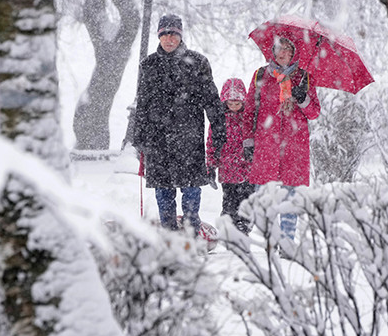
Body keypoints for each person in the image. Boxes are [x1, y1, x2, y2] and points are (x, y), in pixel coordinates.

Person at [132, 14, 226, 235]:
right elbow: (142, 103)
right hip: (158, 138)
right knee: (163, 191)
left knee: (191, 188)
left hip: (189, 137)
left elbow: (211, 100)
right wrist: (139, 136)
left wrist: (219, 129)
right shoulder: (148, 65)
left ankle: (192, 230)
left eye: (173, 34)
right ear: (159, 36)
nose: (169, 39)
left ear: (181, 35)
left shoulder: (198, 62)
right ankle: (169, 233)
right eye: (164, 34)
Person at [242, 36, 320, 240]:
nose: (284, 52)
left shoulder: (304, 77)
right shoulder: (261, 75)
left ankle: (287, 242)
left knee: (290, 198)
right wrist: (248, 141)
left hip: (294, 146)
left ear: (294, 53)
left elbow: (314, 113)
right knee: (263, 199)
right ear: (273, 51)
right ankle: (270, 240)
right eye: (280, 48)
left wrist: (303, 98)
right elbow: (249, 111)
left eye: (288, 49)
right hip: (266, 145)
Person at [206, 78, 256, 234]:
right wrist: (211, 165)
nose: (234, 107)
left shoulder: (249, 118)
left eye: (237, 103)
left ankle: (244, 229)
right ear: (224, 102)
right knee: (229, 203)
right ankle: (229, 229)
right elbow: (211, 144)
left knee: (246, 203)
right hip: (227, 170)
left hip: (246, 169)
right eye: (230, 103)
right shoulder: (219, 120)